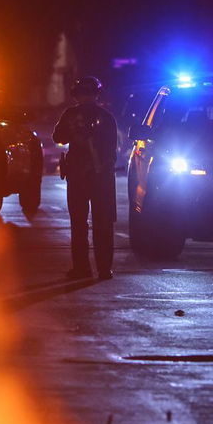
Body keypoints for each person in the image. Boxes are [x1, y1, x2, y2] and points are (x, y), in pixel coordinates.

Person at [53, 75, 119, 281]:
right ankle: (100, 269)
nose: (86, 97)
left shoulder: (74, 115)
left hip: (89, 177)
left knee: (83, 224)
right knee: (98, 224)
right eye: (84, 93)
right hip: (92, 178)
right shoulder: (104, 117)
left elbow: (58, 137)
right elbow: (59, 137)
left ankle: (86, 269)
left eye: (87, 93)